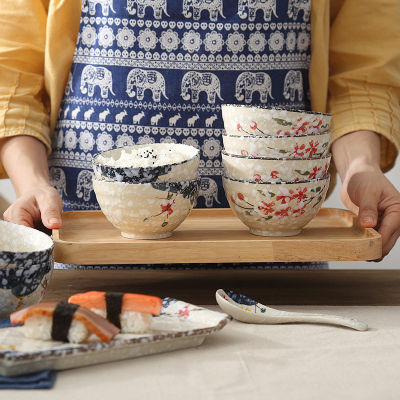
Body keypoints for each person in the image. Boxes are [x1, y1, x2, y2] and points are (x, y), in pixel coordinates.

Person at [0, 0, 399, 261]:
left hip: (279, 256)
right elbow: (13, 78)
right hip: (83, 249)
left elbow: (360, 76)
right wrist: (31, 183)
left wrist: (361, 167)